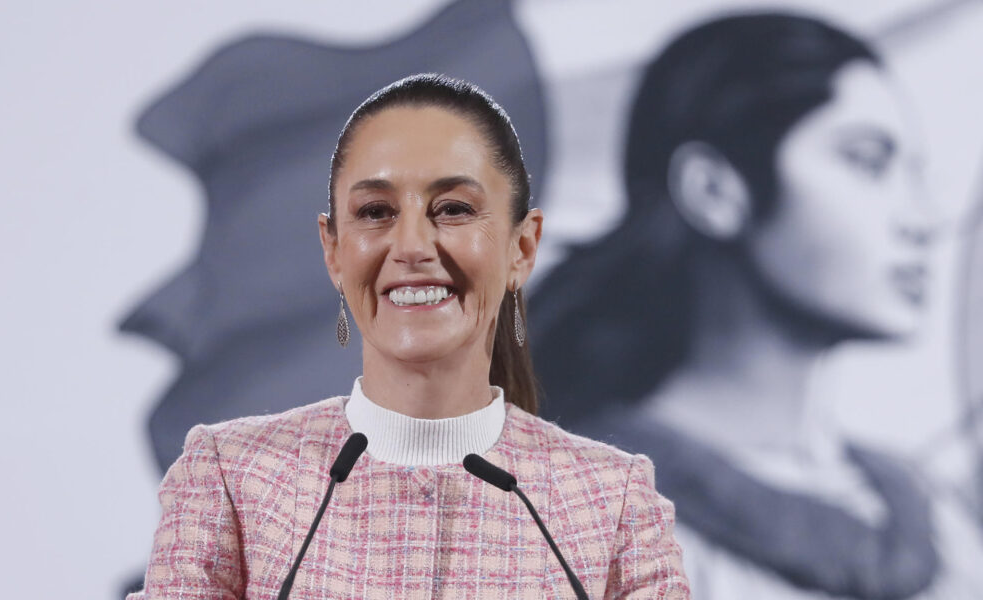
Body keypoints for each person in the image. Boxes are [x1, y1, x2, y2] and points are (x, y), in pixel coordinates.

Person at [128, 74, 689, 599]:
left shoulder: (611, 501)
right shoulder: (231, 479)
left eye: (453, 209)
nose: (413, 246)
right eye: (376, 211)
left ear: (522, 248)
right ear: (333, 250)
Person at [530, 12, 983, 599]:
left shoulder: (938, 517)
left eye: (914, 174)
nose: (921, 220)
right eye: (868, 162)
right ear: (714, 190)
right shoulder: (571, 524)